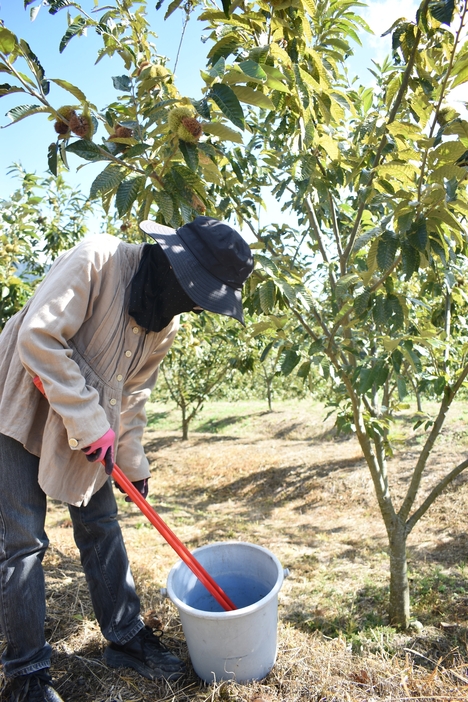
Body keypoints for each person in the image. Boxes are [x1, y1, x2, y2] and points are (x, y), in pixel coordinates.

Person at [0, 215, 254, 702]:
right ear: (173, 265)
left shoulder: (165, 324)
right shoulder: (96, 260)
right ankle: (26, 675)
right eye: (196, 293)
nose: (195, 308)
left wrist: (133, 463)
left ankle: (125, 637)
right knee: (24, 543)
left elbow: (132, 396)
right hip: (19, 403)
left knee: (101, 524)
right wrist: (90, 422)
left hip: (83, 419)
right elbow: (39, 336)